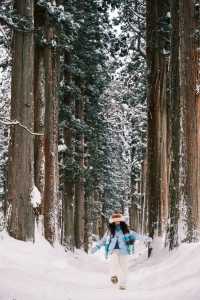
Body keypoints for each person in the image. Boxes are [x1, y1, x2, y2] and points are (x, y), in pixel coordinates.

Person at [91, 212, 152, 290]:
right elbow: (103, 241)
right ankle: (114, 276)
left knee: (124, 268)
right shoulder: (110, 231)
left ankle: (122, 284)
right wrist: (96, 247)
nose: (117, 222)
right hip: (113, 250)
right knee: (114, 263)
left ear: (121, 221)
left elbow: (136, 236)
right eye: (115, 220)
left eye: (118, 220)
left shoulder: (126, 230)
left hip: (124, 251)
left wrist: (146, 238)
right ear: (112, 221)